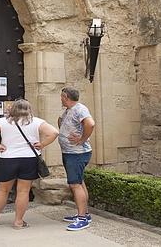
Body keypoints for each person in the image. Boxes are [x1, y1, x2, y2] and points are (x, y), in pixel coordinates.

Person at [0, 99, 59, 229]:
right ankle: (18, 222)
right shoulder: (37, 121)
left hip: (8, 159)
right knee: (23, 191)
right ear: (29, 109)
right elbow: (54, 132)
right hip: (29, 159)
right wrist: (42, 144)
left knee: (3, 190)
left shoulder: (3, 121)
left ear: (13, 109)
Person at [57, 86, 96, 231]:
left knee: (75, 185)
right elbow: (61, 122)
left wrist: (82, 138)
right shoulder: (69, 110)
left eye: (62, 96)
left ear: (66, 97)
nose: (60, 99)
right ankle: (84, 213)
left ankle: (82, 219)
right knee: (79, 182)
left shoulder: (80, 109)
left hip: (77, 153)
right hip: (71, 152)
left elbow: (90, 123)